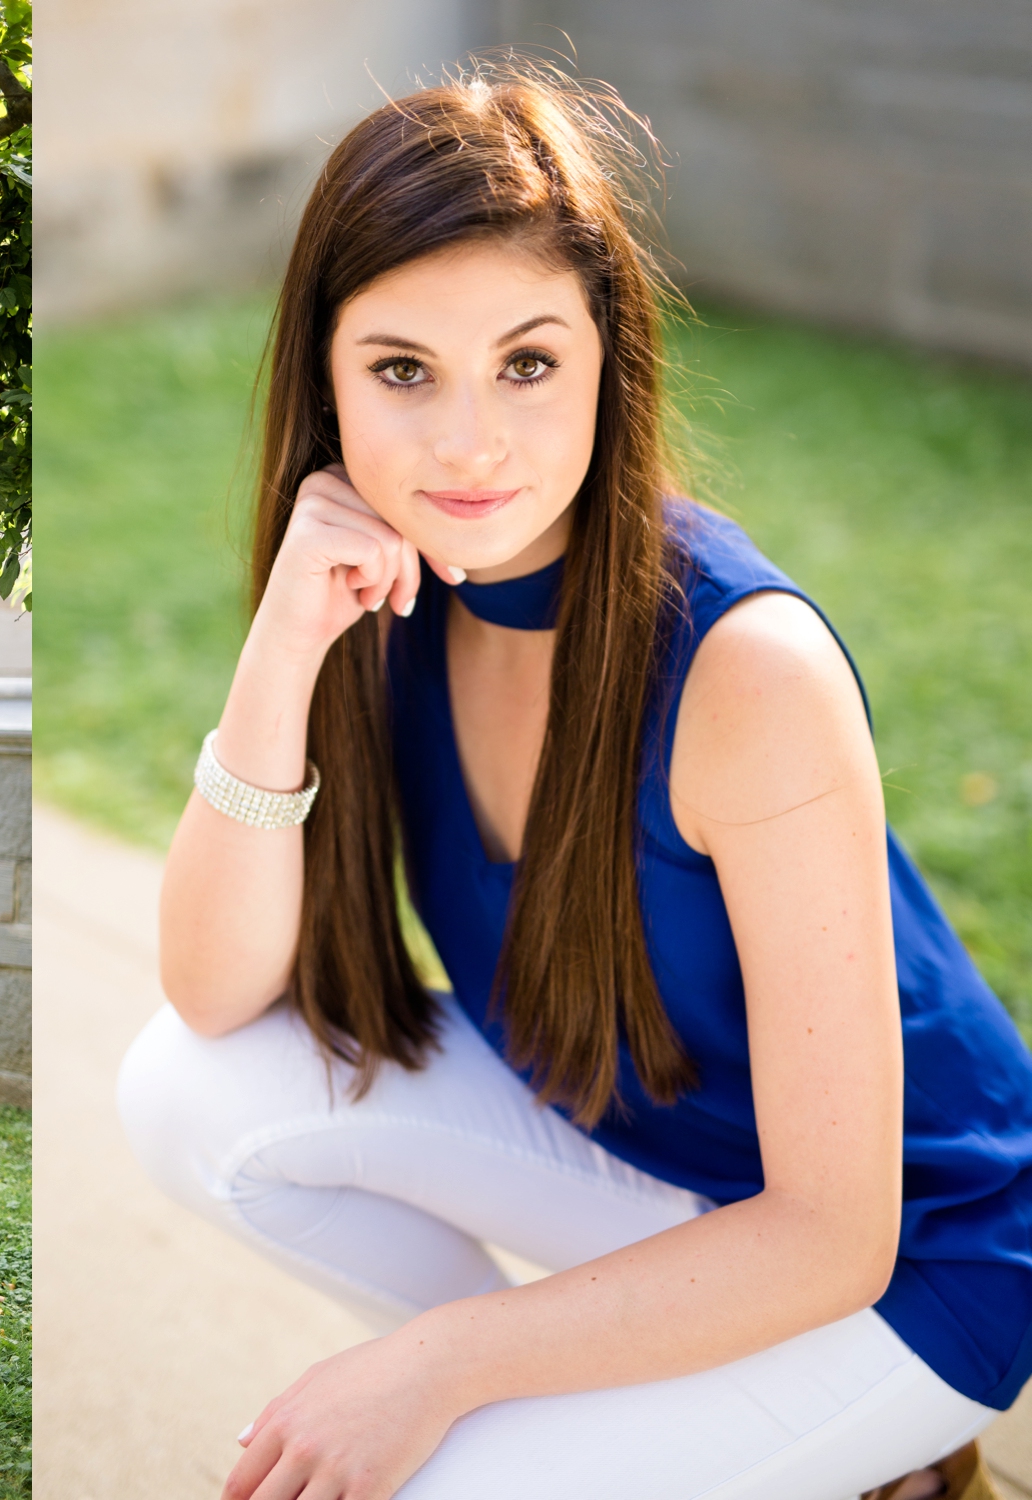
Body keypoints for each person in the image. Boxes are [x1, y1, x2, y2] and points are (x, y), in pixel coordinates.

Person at [117, 62, 1030, 1500]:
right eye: (403, 370)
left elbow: (832, 1233)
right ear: (329, 381)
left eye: (527, 363)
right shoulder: (386, 593)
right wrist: (283, 653)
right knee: (182, 1091)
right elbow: (216, 998)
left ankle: (877, 1445)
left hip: (905, 1261)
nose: (468, 443)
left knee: (432, 1468)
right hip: (658, 1181)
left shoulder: (748, 670)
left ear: (609, 360)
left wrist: (444, 1363)